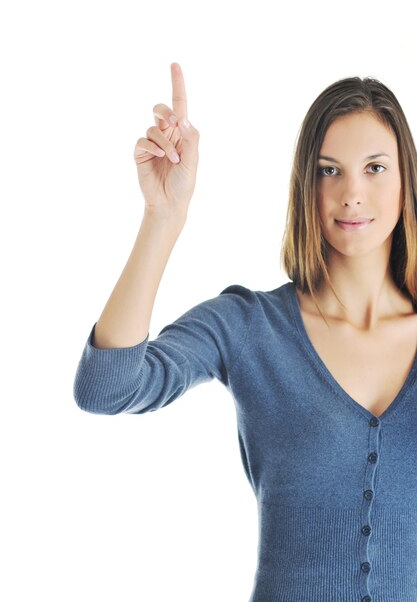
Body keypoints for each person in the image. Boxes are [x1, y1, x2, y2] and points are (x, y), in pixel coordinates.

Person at [73, 62, 417, 601]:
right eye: (330, 170)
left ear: (405, 180)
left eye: (375, 168)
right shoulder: (249, 328)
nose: (352, 193)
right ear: (306, 183)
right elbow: (106, 386)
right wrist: (163, 216)